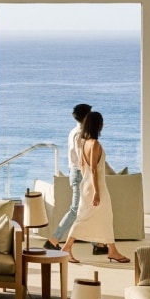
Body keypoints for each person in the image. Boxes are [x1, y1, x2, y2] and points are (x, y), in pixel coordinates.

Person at [61, 111, 130, 264]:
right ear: (97, 125)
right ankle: (67, 247)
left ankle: (112, 250)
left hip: (86, 185)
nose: (103, 125)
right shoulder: (95, 144)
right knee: (88, 218)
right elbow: (93, 169)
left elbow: (82, 166)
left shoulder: (83, 142)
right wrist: (97, 192)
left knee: (102, 217)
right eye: (101, 122)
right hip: (95, 187)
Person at [45, 103, 93, 251]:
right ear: (85, 117)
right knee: (75, 210)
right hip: (80, 174)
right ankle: (53, 240)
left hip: (76, 172)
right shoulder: (80, 134)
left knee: (88, 209)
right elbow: (82, 159)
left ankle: (97, 243)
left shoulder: (73, 132)